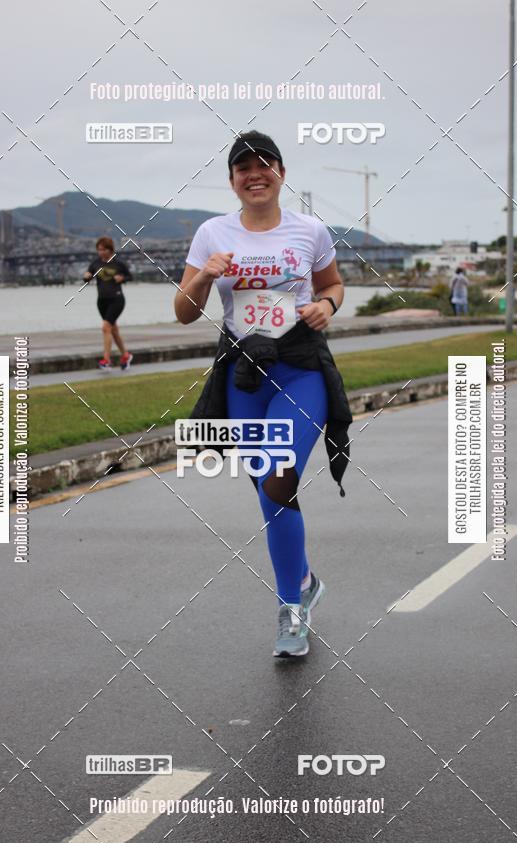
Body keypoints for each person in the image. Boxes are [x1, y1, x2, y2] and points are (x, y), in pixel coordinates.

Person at [174, 130, 352, 658]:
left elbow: (334, 284)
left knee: (279, 476)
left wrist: (328, 305)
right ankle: (305, 579)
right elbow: (183, 312)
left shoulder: (310, 230)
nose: (254, 174)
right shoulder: (211, 233)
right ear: (232, 180)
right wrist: (204, 276)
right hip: (244, 374)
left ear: (280, 173)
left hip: (300, 369)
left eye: (264, 164)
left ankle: (291, 611)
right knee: (267, 491)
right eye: (242, 167)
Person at [83, 236, 133, 370]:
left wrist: (122, 278)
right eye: (98, 250)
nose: (100, 252)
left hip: (117, 299)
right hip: (101, 301)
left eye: (103, 249)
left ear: (110, 250)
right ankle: (126, 355)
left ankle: (106, 360)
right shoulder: (95, 264)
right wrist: (86, 276)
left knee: (106, 327)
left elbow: (130, 276)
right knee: (112, 329)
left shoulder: (118, 264)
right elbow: (88, 277)